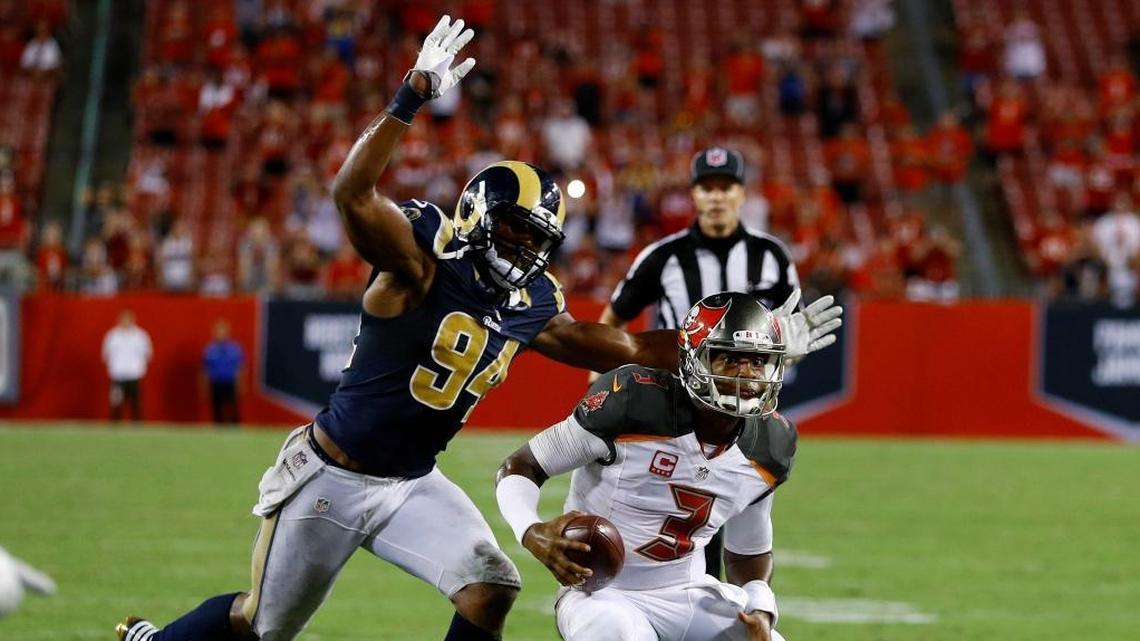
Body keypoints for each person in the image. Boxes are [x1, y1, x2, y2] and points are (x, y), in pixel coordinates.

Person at [117, 17, 840, 641]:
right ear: (477, 216)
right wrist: (410, 99)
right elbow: (350, 192)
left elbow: (620, 344)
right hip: (333, 475)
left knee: (491, 587)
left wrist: (751, 342)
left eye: (540, 241)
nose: (527, 251)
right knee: (260, 625)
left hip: (412, 479)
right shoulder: (418, 266)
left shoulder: (530, 303)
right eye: (517, 233)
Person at [496, 292, 798, 641]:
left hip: (685, 592)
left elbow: (748, 551)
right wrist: (530, 530)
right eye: (729, 360)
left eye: (757, 362)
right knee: (614, 632)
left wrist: (760, 604)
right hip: (601, 593)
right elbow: (523, 465)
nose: (746, 375)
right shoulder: (633, 401)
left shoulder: (771, 444)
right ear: (693, 361)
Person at [594, 146, 813, 580]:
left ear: (741, 193)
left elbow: (793, 332)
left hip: (747, 412)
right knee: (676, 526)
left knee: (745, 523)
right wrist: (601, 387)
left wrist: (794, 347)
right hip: (674, 408)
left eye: (725, 187)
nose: (716, 197)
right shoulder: (662, 255)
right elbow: (612, 323)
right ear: (693, 195)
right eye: (706, 188)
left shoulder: (772, 255)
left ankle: (737, 607)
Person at [102, 310, 152, 423]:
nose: (126, 322)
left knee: (136, 403)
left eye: (128, 319)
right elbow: (106, 354)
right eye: (123, 319)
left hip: (134, 375)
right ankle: (114, 426)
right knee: (116, 403)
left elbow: (147, 354)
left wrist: (140, 368)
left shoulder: (140, 336)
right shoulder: (113, 335)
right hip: (118, 376)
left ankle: (137, 428)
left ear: (133, 320)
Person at [202, 319, 244, 425]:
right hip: (215, 383)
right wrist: (204, 386)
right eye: (218, 331)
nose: (220, 333)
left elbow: (240, 368)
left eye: (222, 331)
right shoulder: (210, 349)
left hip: (230, 382)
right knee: (217, 407)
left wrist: (241, 384)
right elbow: (205, 369)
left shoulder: (234, 348)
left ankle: (235, 426)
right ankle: (218, 427)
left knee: (232, 406)